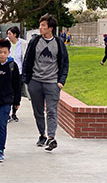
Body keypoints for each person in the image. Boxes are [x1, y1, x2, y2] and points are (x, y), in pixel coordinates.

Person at [22, 13, 69, 152]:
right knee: (38, 111)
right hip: (35, 81)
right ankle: (42, 134)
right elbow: (27, 60)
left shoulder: (59, 43)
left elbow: (65, 63)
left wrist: (61, 82)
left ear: (51, 28)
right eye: (40, 25)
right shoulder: (35, 41)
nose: (40, 28)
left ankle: (51, 137)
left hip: (52, 82)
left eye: (43, 25)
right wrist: (27, 80)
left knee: (51, 110)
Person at [6, 26, 27, 122]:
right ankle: (7, 113)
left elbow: (25, 58)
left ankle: (14, 113)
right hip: (7, 72)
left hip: (18, 72)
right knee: (7, 93)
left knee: (17, 94)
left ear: (15, 34)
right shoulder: (5, 42)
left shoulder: (22, 43)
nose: (8, 35)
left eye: (10, 33)